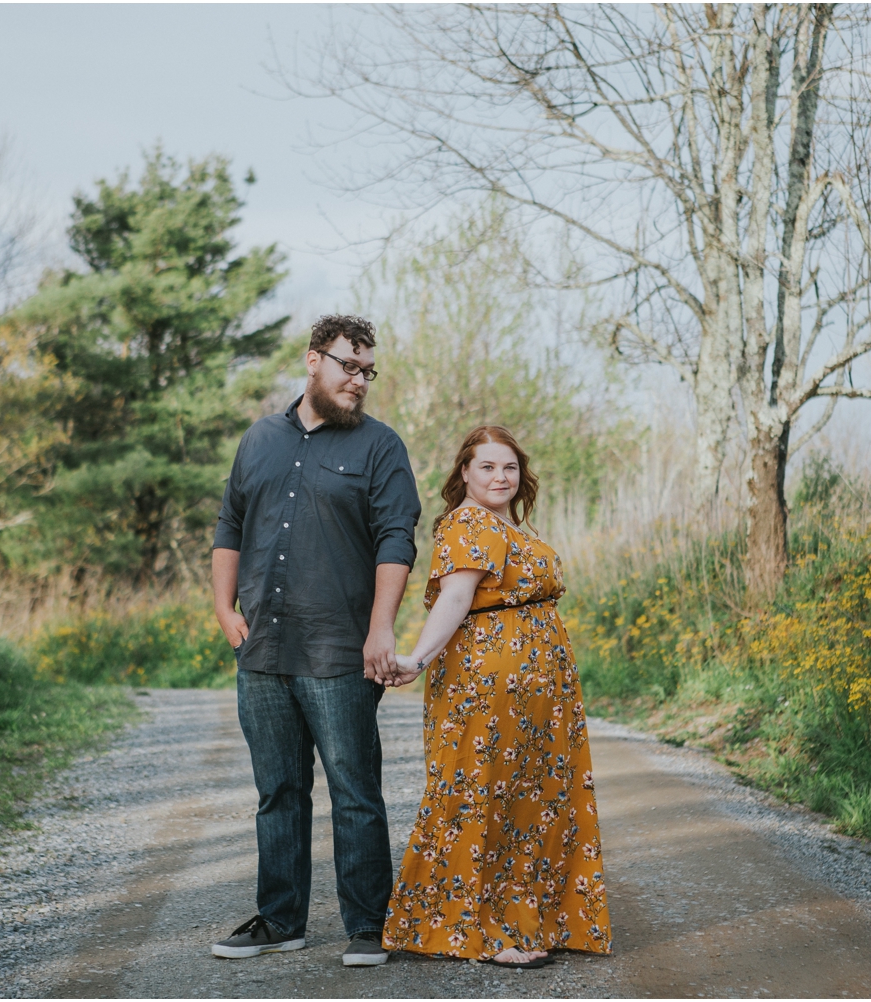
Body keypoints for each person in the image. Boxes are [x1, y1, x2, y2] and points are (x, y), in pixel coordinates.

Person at [210, 315, 422, 968]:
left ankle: (369, 925)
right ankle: (280, 921)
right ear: (312, 361)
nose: (358, 380)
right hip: (264, 653)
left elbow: (396, 536)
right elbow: (231, 521)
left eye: (367, 371)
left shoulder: (381, 448)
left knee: (355, 791)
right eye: (346, 366)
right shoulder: (260, 439)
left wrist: (381, 627)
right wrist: (223, 607)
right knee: (277, 790)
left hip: (339, 651)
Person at [373, 425, 613, 969]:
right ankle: (476, 929)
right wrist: (417, 658)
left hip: (541, 688)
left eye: (508, 467)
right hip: (488, 680)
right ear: (464, 473)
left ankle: (532, 918)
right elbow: (456, 597)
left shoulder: (515, 526)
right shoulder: (467, 524)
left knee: (535, 801)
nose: (499, 477)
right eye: (486, 467)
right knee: (482, 794)